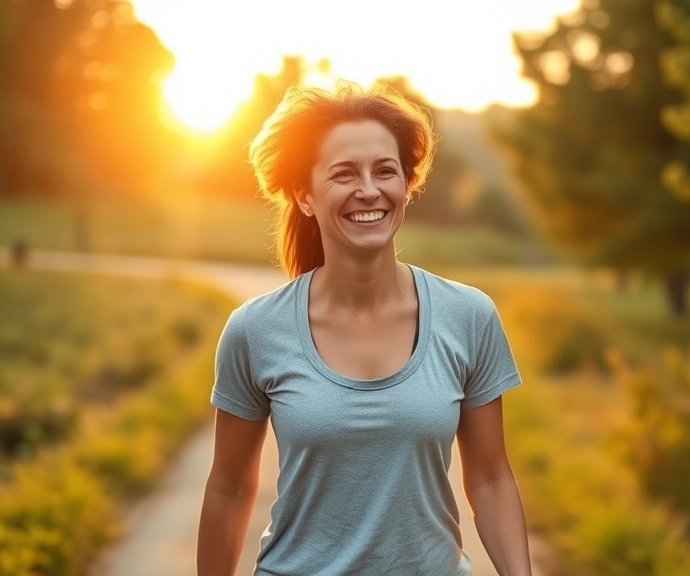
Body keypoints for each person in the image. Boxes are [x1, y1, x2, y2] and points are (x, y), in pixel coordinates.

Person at [196, 82, 532, 576]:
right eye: (344, 174)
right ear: (304, 196)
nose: (369, 190)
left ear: (407, 187)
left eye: (385, 171)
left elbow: (489, 478)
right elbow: (228, 488)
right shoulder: (255, 329)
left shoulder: (469, 316)